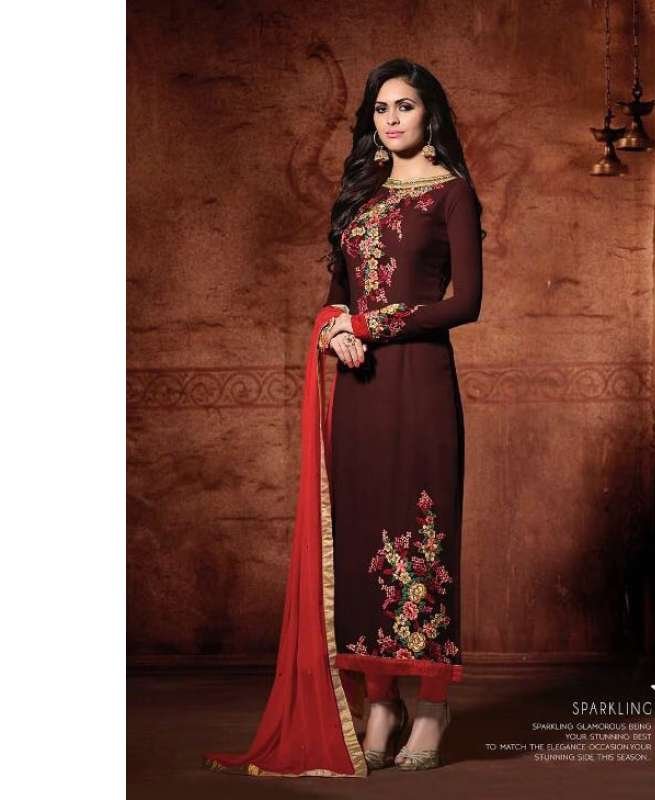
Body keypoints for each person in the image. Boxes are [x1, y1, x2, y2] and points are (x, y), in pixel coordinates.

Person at [202, 57, 484, 779]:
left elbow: (465, 302)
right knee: (360, 537)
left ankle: (432, 705)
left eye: (405, 106)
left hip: (420, 385)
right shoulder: (359, 195)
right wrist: (333, 329)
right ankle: (380, 703)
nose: (391, 119)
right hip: (359, 389)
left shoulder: (452, 193)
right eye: (380, 108)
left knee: (422, 534)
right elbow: (337, 292)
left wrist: (370, 325)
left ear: (430, 115)